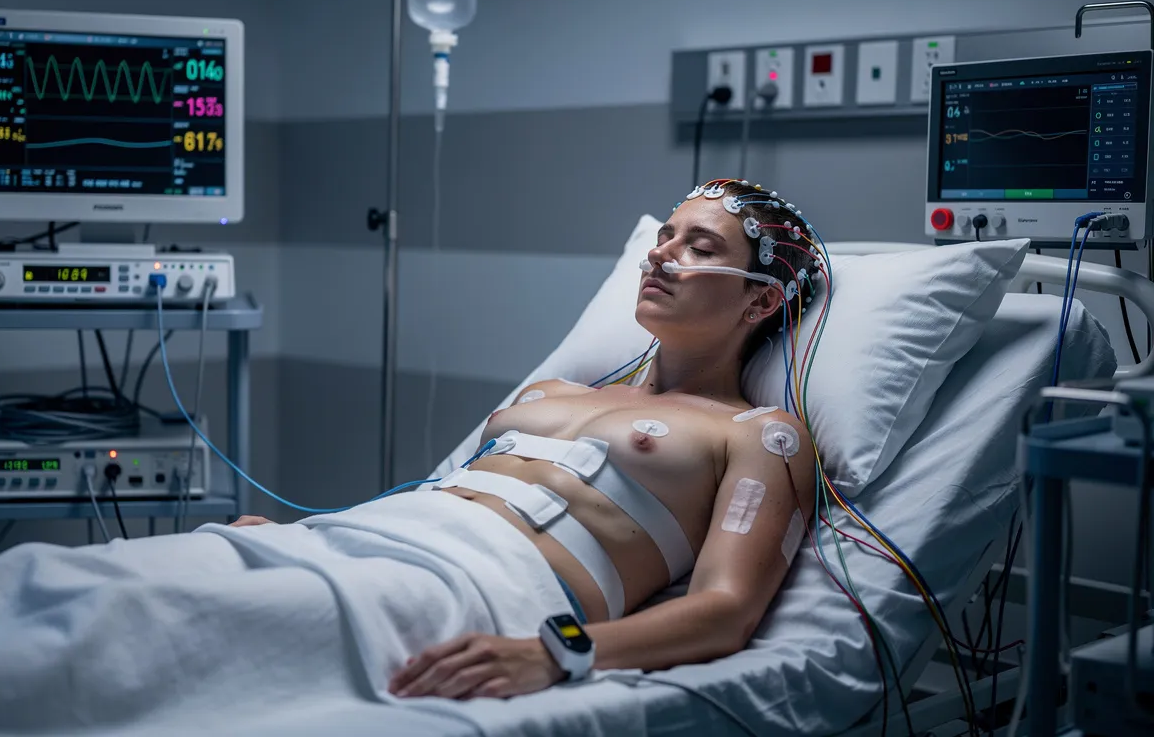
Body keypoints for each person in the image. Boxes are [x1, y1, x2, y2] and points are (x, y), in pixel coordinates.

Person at [240, 179, 820, 701]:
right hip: (361, 543)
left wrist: (557, 652)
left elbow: (724, 612)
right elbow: (451, 492)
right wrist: (307, 536)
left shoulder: (759, 436)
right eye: (665, 236)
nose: (659, 255)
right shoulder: (548, 393)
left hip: (478, 586)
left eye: (699, 247)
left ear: (762, 299)